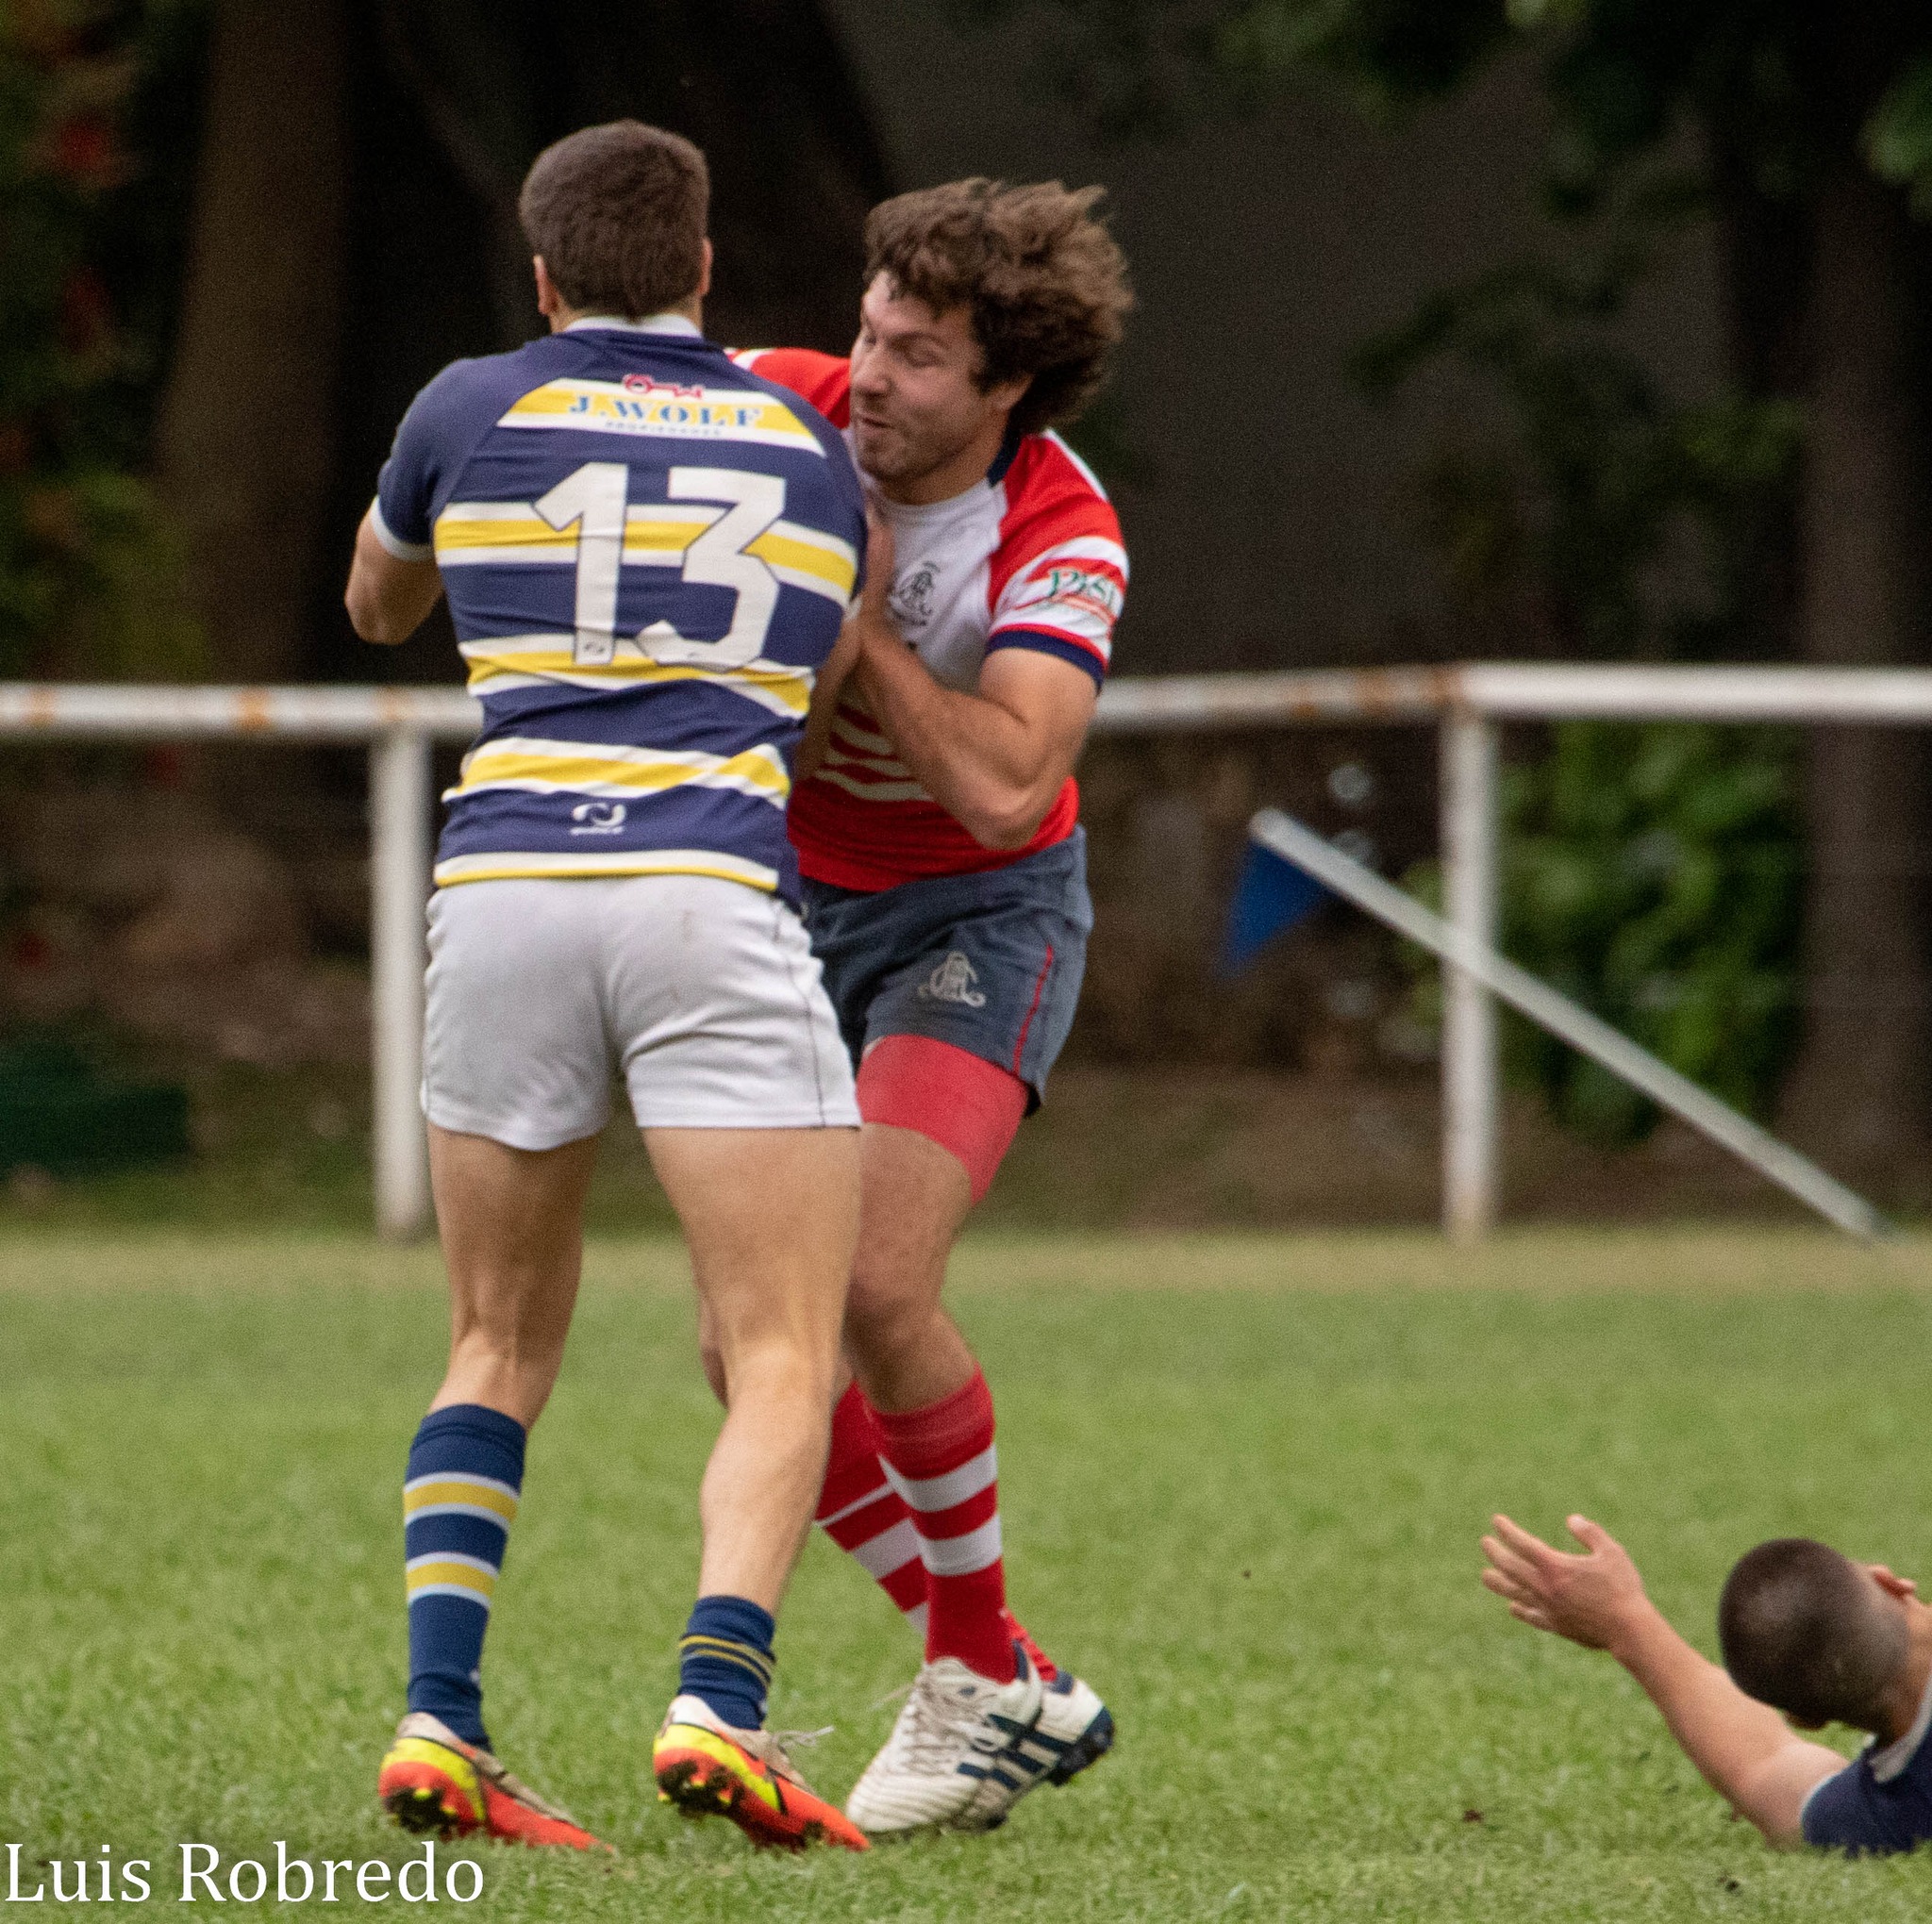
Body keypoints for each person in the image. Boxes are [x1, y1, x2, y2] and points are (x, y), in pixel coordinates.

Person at [343, 120, 873, 1854]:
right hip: (704, 888)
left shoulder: (460, 406)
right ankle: (716, 1702)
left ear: (545, 276)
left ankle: (439, 1719)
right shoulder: (806, 445)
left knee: (493, 1339)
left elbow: (373, 604)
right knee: (783, 1343)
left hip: (502, 888)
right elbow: (814, 670)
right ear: (707, 271)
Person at [728, 177, 1130, 1835]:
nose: (868, 375)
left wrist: (867, 624)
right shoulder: (778, 402)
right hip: (789, 905)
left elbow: (1004, 781)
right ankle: (995, 1671)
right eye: (866, 333)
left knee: (877, 1284)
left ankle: (974, 1681)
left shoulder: (1060, 531)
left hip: (979, 910)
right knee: (746, 1350)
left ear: (1005, 386)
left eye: (915, 356)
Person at [1480, 1512, 1932, 1854]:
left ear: (1806, 1720)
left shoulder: (1893, 1815)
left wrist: (1627, 1623)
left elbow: (1765, 1764)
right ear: (1892, 1583)